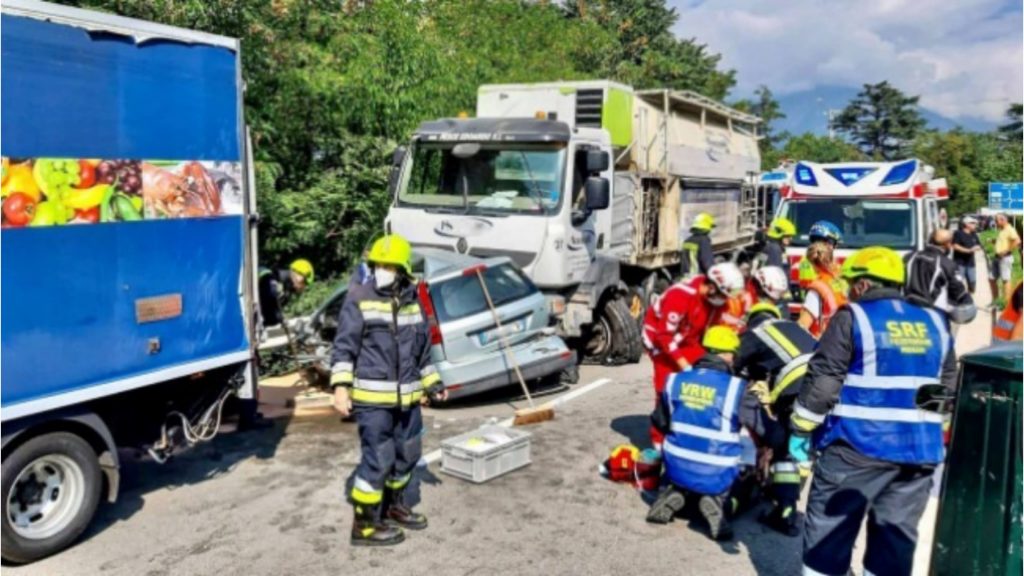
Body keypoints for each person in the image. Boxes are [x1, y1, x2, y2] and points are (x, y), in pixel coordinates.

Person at [789, 246, 956, 576]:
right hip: (917, 457)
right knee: (892, 547)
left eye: (851, 284)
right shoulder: (936, 323)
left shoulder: (853, 317)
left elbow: (823, 384)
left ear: (863, 285)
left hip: (854, 451)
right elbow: (946, 389)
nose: (849, 291)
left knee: (828, 539)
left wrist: (800, 428)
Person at [330, 234, 446, 546]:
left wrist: (432, 383)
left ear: (403, 270)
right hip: (373, 404)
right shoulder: (359, 297)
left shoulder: (413, 302)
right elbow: (344, 348)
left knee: (407, 456)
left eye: (390, 265)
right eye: (379, 264)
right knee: (378, 460)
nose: (384, 269)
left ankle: (394, 507)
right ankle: (365, 525)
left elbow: (422, 351)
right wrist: (341, 388)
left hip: (407, 402)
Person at [734, 266, 817, 536]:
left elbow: (729, 366)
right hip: (825, 388)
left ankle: (778, 506)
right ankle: (785, 507)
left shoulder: (757, 332)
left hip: (798, 390)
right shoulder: (790, 327)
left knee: (784, 449)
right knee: (794, 449)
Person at [646, 327, 747, 541]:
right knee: (750, 486)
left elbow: (659, 421)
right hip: (718, 472)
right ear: (728, 355)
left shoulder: (675, 380)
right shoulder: (737, 388)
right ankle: (722, 504)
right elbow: (760, 429)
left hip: (676, 467)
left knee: (683, 459)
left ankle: (673, 492)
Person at [642, 262, 745, 448]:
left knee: (706, 380)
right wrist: (686, 367)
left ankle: (690, 426)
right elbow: (664, 336)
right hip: (660, 341)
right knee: (665, 388)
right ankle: (658, 442)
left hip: (690, 340)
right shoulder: (680, 295)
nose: (725, 300)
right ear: (712, 287)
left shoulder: (716, 301)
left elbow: (716, 328)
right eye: (723, 295)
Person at [905, 229, 976, 325]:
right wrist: (969, 303)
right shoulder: (947, 264)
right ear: (947, 244)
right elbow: (959, 292)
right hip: (934, 317)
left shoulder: (909, 257)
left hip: (906, 313)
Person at [796, 221, 848, 338]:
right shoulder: (841, 277)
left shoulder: (818, 283)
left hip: (822, 343)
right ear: (829, 245)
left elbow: (802, 325)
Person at [258, 258, 315, 328]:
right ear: (297, 274)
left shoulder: (287, 290)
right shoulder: (273, 279)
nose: (303, 286)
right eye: (304, 282)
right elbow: (268, 308)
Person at [990, 213, 1021, 302]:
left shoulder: (1010, 229)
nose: (995, 223)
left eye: (996, 220)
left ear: (1003, 220)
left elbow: (1017, 240)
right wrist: (994, 241)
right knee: (991, 278)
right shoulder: (1002, 230)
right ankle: (995, 300)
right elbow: (1004, 240)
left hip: (1005, 258)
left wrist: (1006, 251)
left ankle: (1006, 302)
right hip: (997, 257)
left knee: (1005, 280)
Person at [951, 216, 983, 294]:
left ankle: (970, 297)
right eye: (973, 223)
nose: (975, 225)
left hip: (971, 263)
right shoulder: (958, 233)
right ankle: (959, 301)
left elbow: (979, 245)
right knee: (959, 283)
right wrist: (968, 250)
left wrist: (977, 247)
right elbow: (955, 246)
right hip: (959, 263)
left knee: (972, 284)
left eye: (975, 223)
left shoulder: (974, 234)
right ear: (966, 224)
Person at [680, 212, 715, 279]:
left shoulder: (686, 241)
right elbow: (707, 263)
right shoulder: (704, 240)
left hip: (686, 279)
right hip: (698, 280)